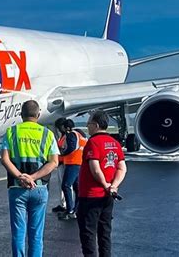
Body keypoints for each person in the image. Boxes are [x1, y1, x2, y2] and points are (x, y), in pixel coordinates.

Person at [1, 100, 59, 257]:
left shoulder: (11, 132)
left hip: (16, 187)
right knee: (36, 235)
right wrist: (32, 178)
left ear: (21, 115)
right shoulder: (47, 134)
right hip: (39, 188)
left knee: (18, 233)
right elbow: (54, 162)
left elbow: (5, 160)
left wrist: (21, 177)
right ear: (38, 114)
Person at [77, 110, 127, 257]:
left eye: (89, 123)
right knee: (105, 234)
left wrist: (104, 184)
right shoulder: (115, 143)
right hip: (108, 196)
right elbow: (122, 168)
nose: (87, 125)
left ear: (96, 125)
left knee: (88, 235)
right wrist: (113, 185)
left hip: (91, 196)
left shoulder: (92, 142)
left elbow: (95, 168)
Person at [58, 119, 87, 220]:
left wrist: (62, 153)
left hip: (72, 163)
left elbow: (71, 147)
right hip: (79, 162)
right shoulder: (81, 134)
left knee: (66, 185)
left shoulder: (71, 135)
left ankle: (70, 210)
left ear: (67, 128)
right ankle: (76, 209)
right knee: (76, 187)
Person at [51, 117, 67, 213]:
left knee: (66, 185)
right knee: (61, 185)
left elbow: (66, 150)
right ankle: (63, 204)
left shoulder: (67, 136)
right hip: (61, 163)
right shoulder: (62, 137)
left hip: (66, 163)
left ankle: (67, 205)